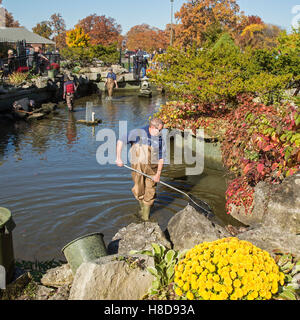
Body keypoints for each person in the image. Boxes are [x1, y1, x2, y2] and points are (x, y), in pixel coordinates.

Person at [116, 118, 166, 221]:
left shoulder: (160, 139)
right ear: (152, 127)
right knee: (139, 190)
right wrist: (118, 158)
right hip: (137, 168)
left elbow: (161, 158)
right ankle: (143, 210)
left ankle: (145, 218)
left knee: (150, 193)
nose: (161, 132)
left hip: (152, 170)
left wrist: (158, 174)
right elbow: (121, 141)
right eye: (159, 130)